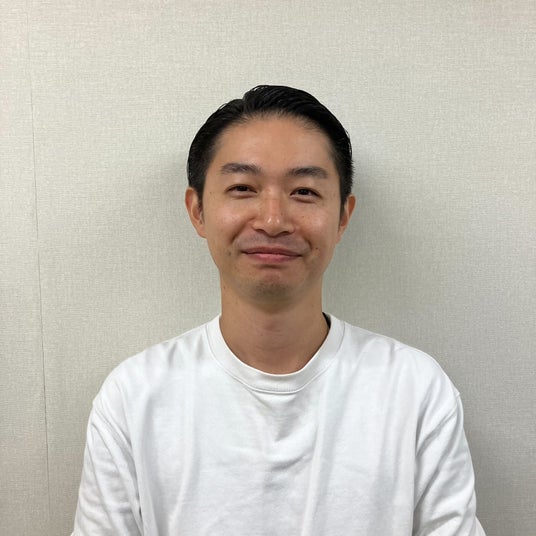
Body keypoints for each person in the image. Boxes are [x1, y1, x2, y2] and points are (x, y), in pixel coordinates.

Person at [72, 85, 485, 535]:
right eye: (242, 188)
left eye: (304, 191)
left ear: (343, 216)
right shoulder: (135, 397)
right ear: (198, 211)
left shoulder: (415, 390)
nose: (272, 221)